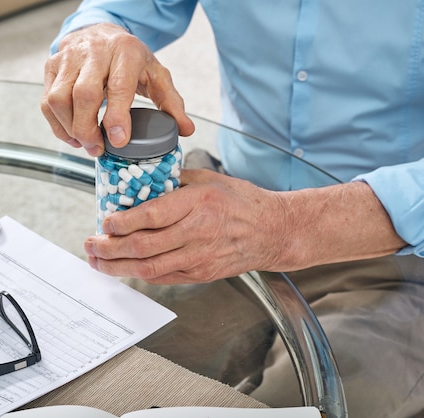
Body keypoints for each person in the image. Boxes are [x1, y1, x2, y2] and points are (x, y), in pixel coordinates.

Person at [41, 1, 424, 416]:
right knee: (87, 372)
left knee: (301, 405)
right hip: (228, 204)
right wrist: (94, 36)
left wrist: (286, 227)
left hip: (397, 250)